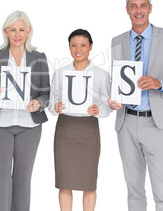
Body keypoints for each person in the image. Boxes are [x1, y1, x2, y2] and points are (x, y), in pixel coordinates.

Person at [108, 0, 163, 211]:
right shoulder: (117, 41)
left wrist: (159, 83)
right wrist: (113, 99)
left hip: (156, 122)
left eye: (143, 5)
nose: (138, 10)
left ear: (150, 8)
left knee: (161, 187)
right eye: (134, 6)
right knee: (134, 189)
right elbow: (116, 79)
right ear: (127, 10)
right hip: (126, 122)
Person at [0, 10, 50, 211]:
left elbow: (47, 93)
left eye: (21, 29)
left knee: (22, 179)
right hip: (1, 125)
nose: (18, 34)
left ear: (28, 31)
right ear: (6, 31)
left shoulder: (39, 57)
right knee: (2, 179)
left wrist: (38, 102)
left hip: (29, 126)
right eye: (13, 29)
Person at [50, 29, 110, 211]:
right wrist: (56, 106)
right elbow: (52, 100)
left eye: (83, 45)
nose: (78, 49)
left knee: (89, 183)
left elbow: (107, 106)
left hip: (88, 131)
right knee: (64, 182)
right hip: (65, 130)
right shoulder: (60, 73)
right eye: (73, 45)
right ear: (69, 47)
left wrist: (98, 109)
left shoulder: (101, 75)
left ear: (91, 47)